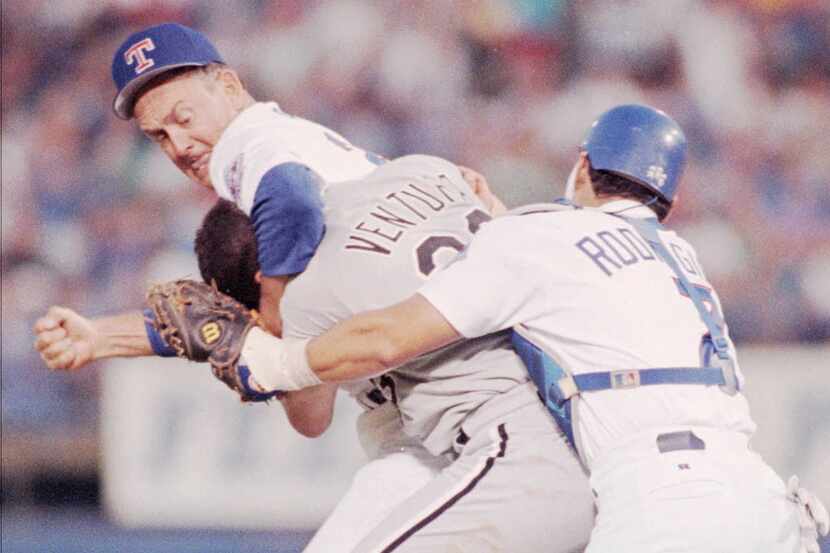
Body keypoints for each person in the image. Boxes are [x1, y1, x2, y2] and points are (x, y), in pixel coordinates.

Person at [34, 23, 591, 552]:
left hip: (482, 415)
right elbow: (232, 311)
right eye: (159, 136)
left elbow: (289, 205)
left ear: (227, 83)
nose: (178, 145)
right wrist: (105, 336)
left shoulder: (251, 150)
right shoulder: (336, 154)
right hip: (453, 406)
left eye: (184, 116)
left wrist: (276, 319)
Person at [228, 104, 828, 553]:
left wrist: (275, 360)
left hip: (664, 502)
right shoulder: (678, 253)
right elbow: (568, 261)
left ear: (584, 165)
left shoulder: (539, 234)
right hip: (764, 502)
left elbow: (386, 339)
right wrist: (498, 219)